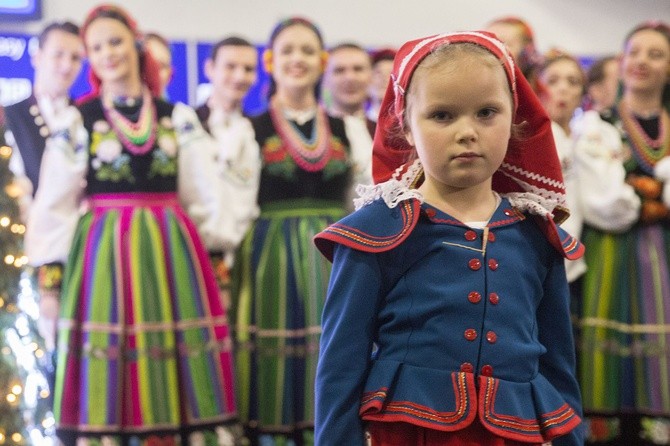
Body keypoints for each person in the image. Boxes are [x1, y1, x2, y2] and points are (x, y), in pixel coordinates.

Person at [313, 31, 585, 445]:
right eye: (442, 115)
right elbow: (340, 365)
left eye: (487, 112)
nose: (467, 132)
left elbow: (558, 365)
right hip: (409, 432)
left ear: (515, 120)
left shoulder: (535, 234)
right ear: (404, 126)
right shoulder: (377, 231)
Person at [23, 4, 241, 445]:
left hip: (171, 252)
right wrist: (51, 281)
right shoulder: (77, 120)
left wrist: (217, 267)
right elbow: (55, 203)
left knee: (178, 365)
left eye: (115, 42)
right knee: (110, 362)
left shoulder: (175, 116)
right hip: (104, 254)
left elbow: (203, 196)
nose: (107, 53)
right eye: (96, 46)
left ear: (136, 45)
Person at [229, 16, 359, 446]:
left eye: (307, 51)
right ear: (270, 61)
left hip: (331, 251)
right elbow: (236, 202)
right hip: (270, 255)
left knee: (332, 343)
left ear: (322, 62)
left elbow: (357, 200)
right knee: (274, 347)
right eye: (287, 51)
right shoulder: (249, 129)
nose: (297, 60)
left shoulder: (346, 128)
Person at [577, 21, 670, 446]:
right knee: (606, 337)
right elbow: (603, 201)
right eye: (635, 52)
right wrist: (648, 200)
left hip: (664, 249)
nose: (642, 62)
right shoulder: (598, 124)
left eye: (656, 54)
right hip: (612, 247)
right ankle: (604, 427)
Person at [4, 20, 84, 360]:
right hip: (23, 255)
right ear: (37, 56)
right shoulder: (9, 117)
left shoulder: (86, 117)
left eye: (75, 58)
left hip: (81, 251)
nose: (66, 66)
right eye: (58, 55)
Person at [196, 36, 260, 283]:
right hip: (198, 250)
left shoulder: (257, 129)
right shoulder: (189, 124)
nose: (239, 76)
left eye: (248, 69)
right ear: (210, 69)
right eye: (230, 66)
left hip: (246, 253)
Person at [537, 49, 588, 285]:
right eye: (553, 81)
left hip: (574, 263)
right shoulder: (531, 139)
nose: (563, 88)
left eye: (573, 81)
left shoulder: (587, 137)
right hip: (541, 263)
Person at [322, 42, 375, 194]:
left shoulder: (386, 133)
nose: (350, 78)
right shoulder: (314, 133)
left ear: (371, 76)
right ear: (325, 79)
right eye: (339, 71)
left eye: (358, 69)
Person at [486, 16, 544, 96]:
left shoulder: (544, 102)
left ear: (525, 57)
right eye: (486, 41)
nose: (489, 48)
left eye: (502, 43)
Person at [366, 47, 395, 123]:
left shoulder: (408, 125)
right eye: (378, 73)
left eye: (390, 73)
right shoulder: (358, 123)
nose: (384, 78)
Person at [144, 31, 173, 97]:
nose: (155, 72)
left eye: (161, 66)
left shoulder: (179, 107)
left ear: (169, 74)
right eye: (150, 64)